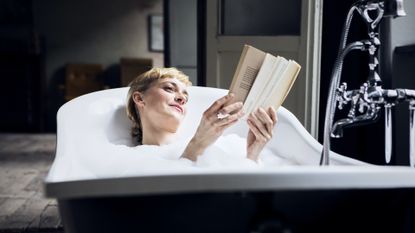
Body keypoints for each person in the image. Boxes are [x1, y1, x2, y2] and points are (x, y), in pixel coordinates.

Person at [126, 67, 277, 162]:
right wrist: (196, 146)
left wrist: (252, 156)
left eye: (185, 97)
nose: (181, 98)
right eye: (169, 89)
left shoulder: (221, 147)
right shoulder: (130, 160)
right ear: (139, 98)